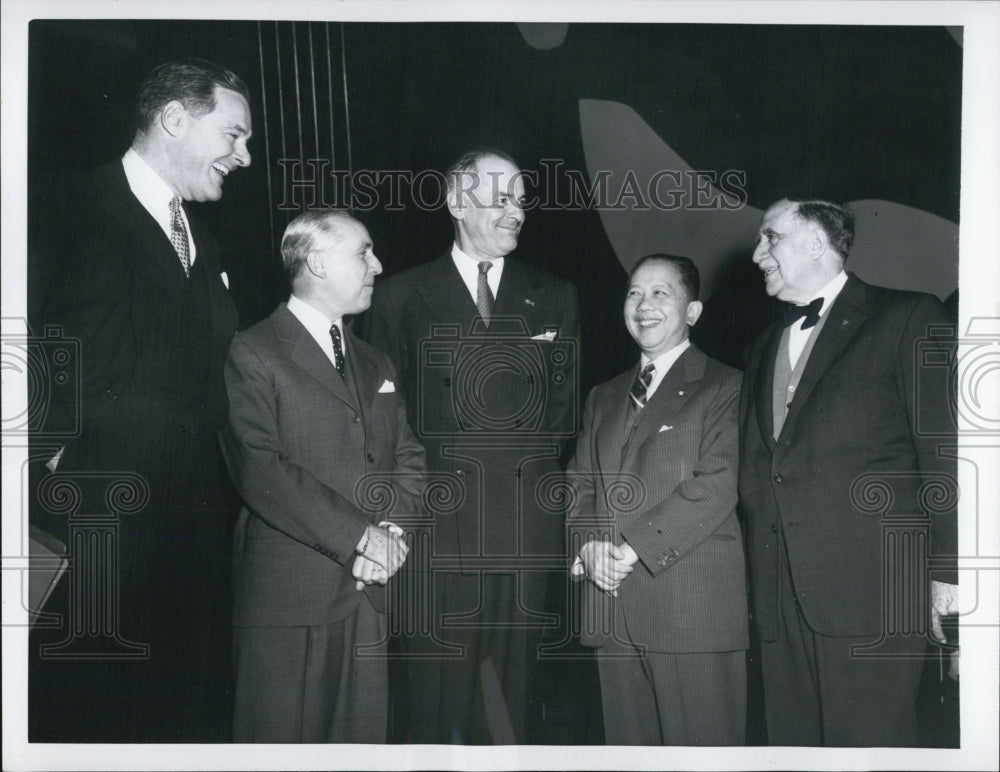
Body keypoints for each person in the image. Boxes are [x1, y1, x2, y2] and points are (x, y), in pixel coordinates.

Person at [29, 58, 252, 742]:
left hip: (192, 535)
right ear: (175, 118)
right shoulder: (62, 204)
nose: (243, 158)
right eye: (235, 135)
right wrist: (45, 477)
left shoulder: (205, 242)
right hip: (97, 529)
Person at [362, 148, 580, 743]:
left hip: (522, 537)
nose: (517, 213)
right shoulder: (398, 297)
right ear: (457, 201)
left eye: (521, 200)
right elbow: (387, 422)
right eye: (500, 197)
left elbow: (561, 419)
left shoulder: (555, 294)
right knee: (433, 711)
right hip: (435, 540)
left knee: (511, 712)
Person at [738, 197, 959, 746]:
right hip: (777, 602)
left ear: (816, 242)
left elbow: (946, 452)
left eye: (770, 237)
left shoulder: (908, 315)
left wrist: (948, 573)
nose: (756, 252)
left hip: (875, 598)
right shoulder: (760, 345)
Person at [218, 210, 426, 742]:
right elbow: (260, 469)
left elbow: (408, 457)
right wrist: (362, 536)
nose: (377, 265)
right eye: (363, 252)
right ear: (315, 261)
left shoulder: (376, 361)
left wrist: (393, 535)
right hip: (289, 602)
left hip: (368, 597)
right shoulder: (252, 350)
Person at [565, 254, 748, 745]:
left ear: (693, 312)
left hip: (691, 616)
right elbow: (579, 484)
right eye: (634, 293)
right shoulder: (603, 395)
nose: (644, 305)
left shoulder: (727, 385)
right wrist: (587, 548)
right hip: (610, 613)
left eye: (661, 293)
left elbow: (717, 484)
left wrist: (628, 551)